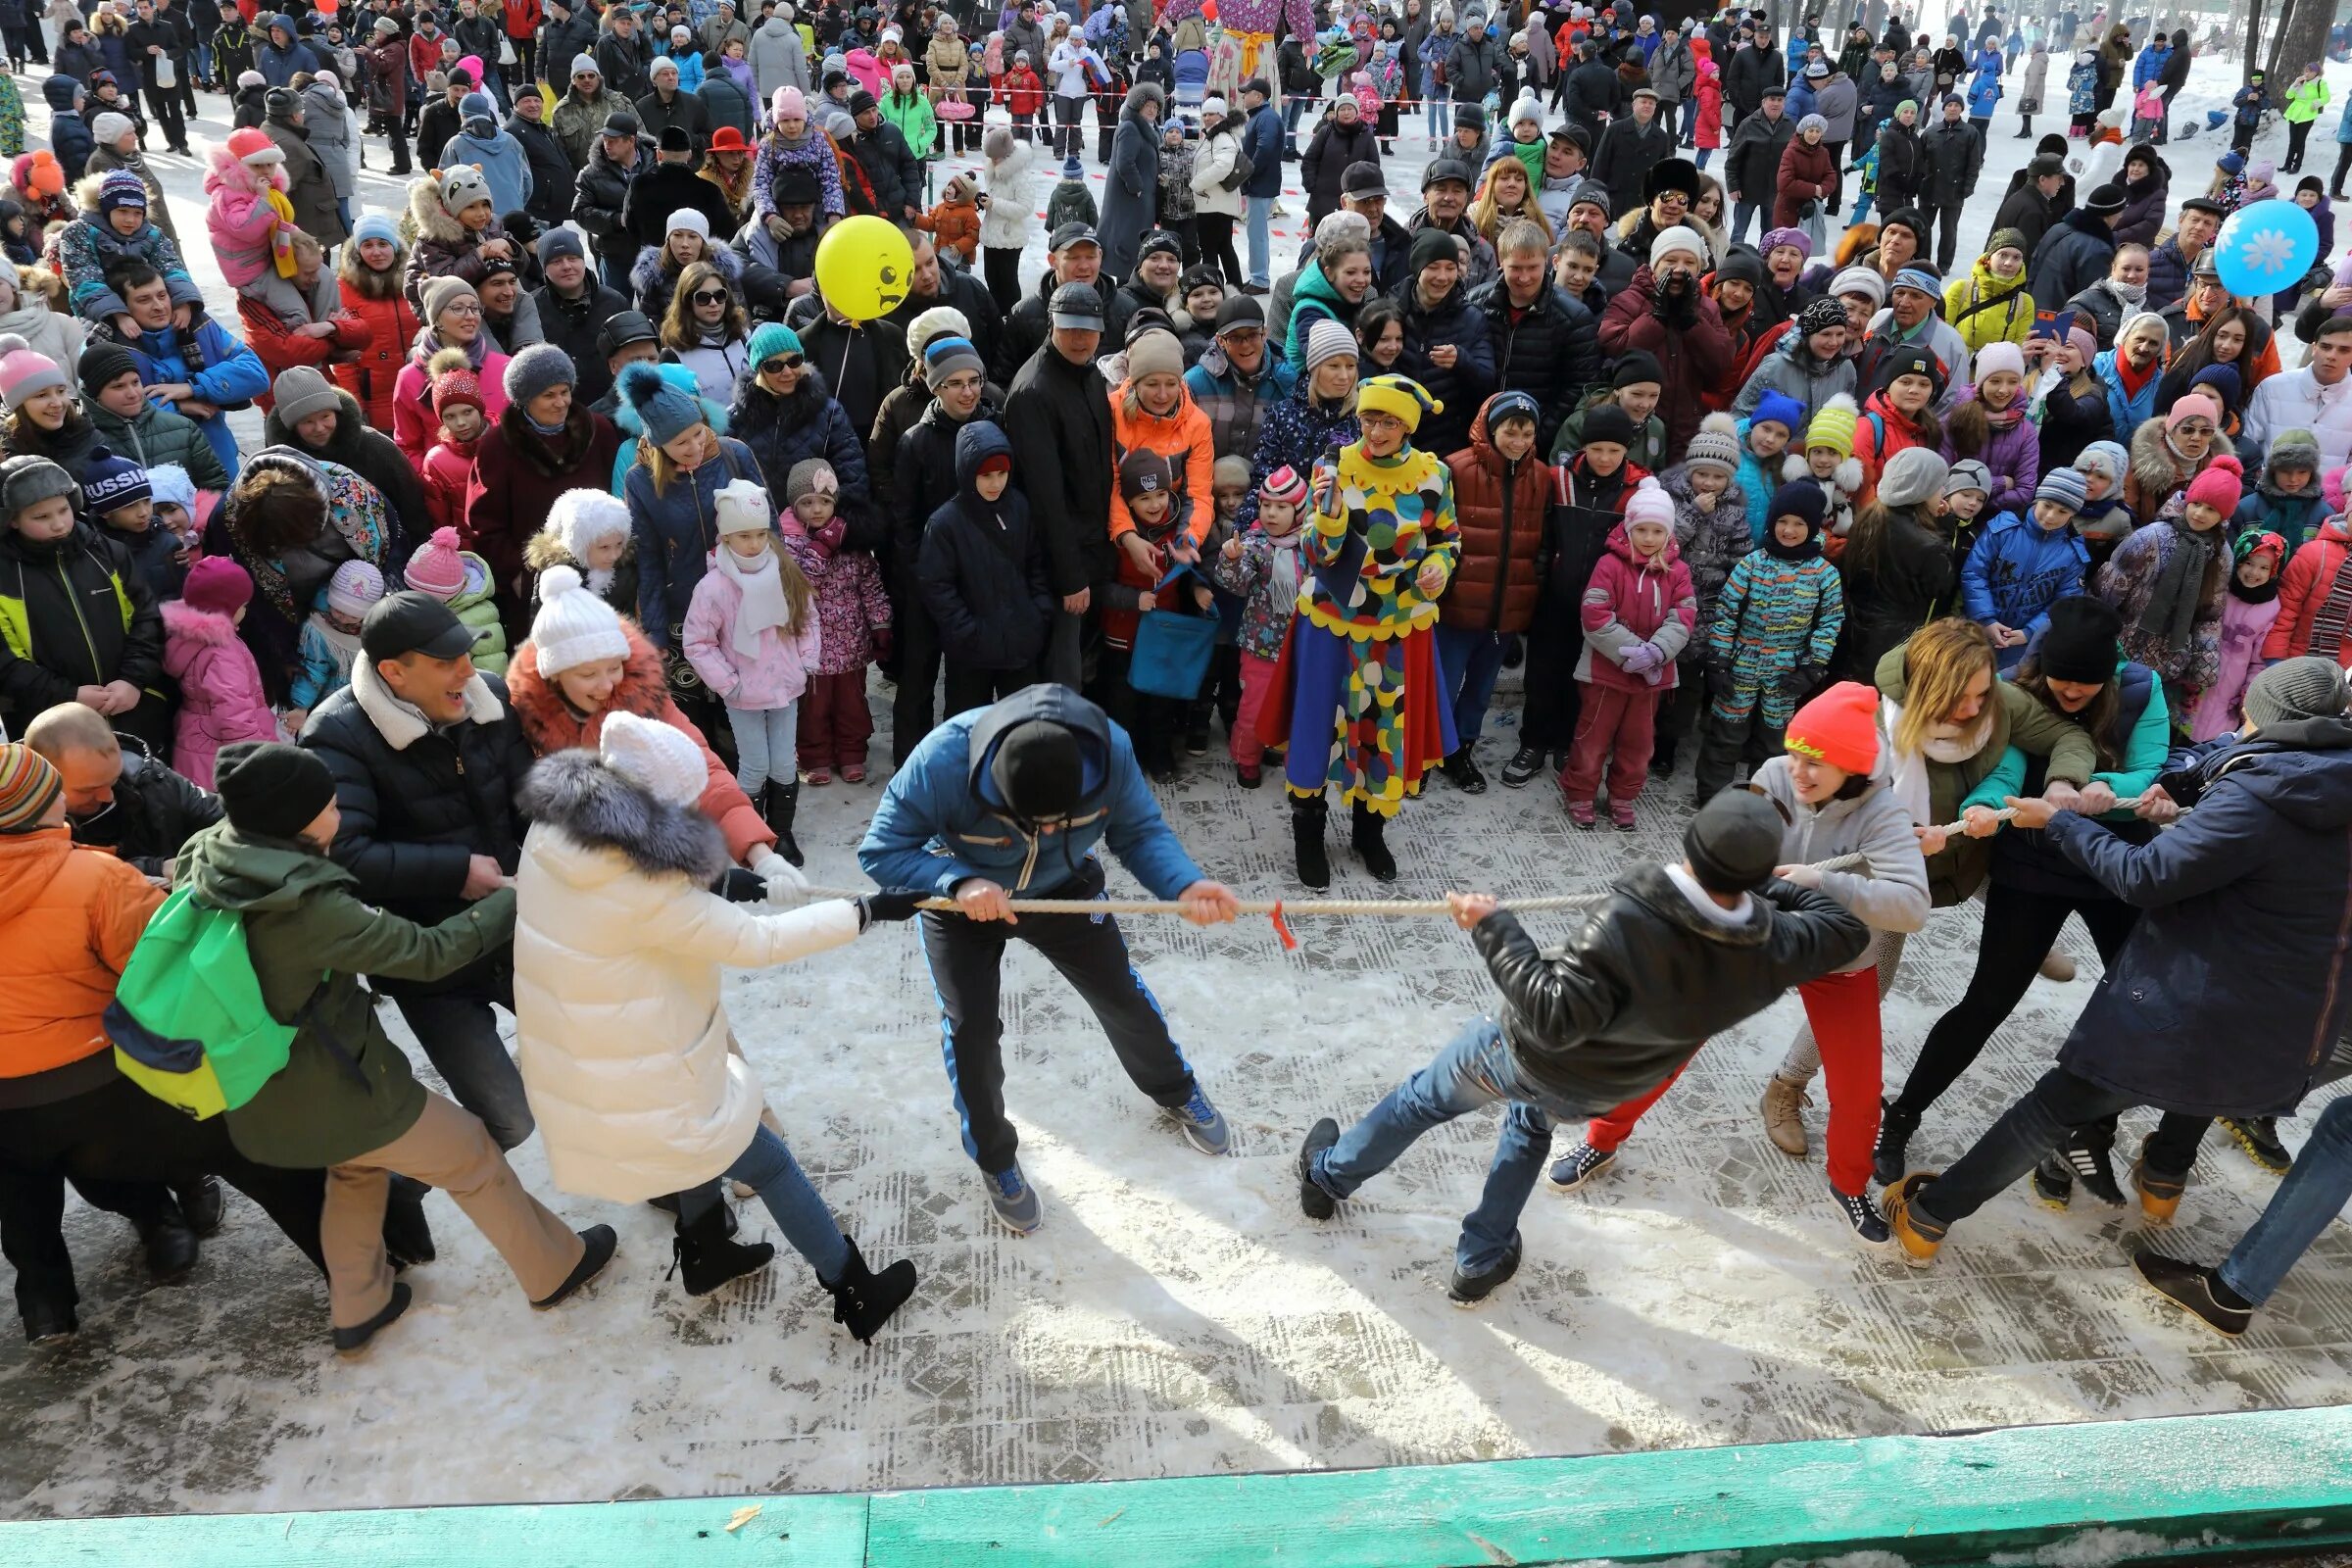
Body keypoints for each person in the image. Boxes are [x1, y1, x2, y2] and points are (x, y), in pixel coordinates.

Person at [1298, 790, 1868, 1302]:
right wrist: (1756, 884)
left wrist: (1494, 927)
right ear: (1757, 872)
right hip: (1600, 1088)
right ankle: (1479, 1259)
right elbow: (1849, 929)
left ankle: (1327, 1179)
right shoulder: (1776, 946)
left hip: (1519, 1055)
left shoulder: (1627, 917)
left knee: (1420, 1101)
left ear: (1689, 845)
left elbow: (1551, 1013)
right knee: (1527, 1129)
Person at [1886, 658, 2352, 1263]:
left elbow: (2145, 874)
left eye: (2247, 711)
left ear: (2264, 717)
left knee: (2055, 1106)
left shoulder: (2257, 795)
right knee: (2212, 1080)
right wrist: (2180, 789)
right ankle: (2163, 1180)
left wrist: (2059, 824)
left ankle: (1929, 1215)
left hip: (2199, 988)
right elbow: (2212, 761)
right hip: (2291, 998)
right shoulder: (2321, 779)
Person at [179, 740, 612, 1354]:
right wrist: (517, 896)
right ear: (298, 822)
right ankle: (555, 1267)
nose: (342, 815)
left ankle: (361, 1302)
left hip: (262, 1089)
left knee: (355, 1169)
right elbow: (427, 954)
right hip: (338, 1083)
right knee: (469, 1151)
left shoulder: (218, 856)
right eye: (332, 806)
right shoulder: (303, 908)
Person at [511, 711, 918, 1332]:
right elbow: (756, 945)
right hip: (638, 1065)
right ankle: (855, 1289)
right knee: (764, 1159)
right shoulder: (644, 885)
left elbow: (637, 908)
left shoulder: (556, 830)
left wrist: (729, 882)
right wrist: (864, 911)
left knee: (697, 1145)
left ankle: (705, 1249)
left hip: (593, 1047)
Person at [859, 683, 1241, 1234]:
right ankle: (996, 1160)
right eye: (1034, 823)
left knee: (1119, 994)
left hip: (1063, 888)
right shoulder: (943, 759)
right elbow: (882, 849)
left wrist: (1183, 885)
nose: (1050, 832)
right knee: (970, 1032)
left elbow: (1137, 831)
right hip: (961, 898)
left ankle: (1176, 1089)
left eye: (1063, 821)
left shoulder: (1112, 750)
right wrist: (956, 881)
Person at [297, 591, 542, 1152]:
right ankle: (401, 1186)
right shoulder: (334, 734)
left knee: (595, 1069)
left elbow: (529, 800)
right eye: (444, 663)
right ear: (393, 673)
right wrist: (455, 871)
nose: (466, 671)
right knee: (511, 1120)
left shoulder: (488, 697)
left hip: (519, 927)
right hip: (431, 958)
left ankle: (666, 1189)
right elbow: (344, 854)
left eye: (466, 654)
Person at [1265, 374, 1457, 886]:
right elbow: (1313, 553)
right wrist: (1326, 520)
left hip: (1397, 628)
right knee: (1317, 733)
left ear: (1408, 425)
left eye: (1388, 421)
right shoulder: (1333, 467)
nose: (1376, 431)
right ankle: (1308, 832)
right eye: (1369, 418)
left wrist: (1440, 566)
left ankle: (1368, 833)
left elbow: (1447, 538)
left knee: (1381, 732)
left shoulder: (1433, 476)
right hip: (1333, 623)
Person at [24, 699, 219, 879]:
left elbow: (219, 814)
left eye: (114, 779)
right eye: (87, 790)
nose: (108, 796)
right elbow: (64, 880)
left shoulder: (149, 776)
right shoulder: (18, 825)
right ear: (42, 779)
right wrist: (155, 868)